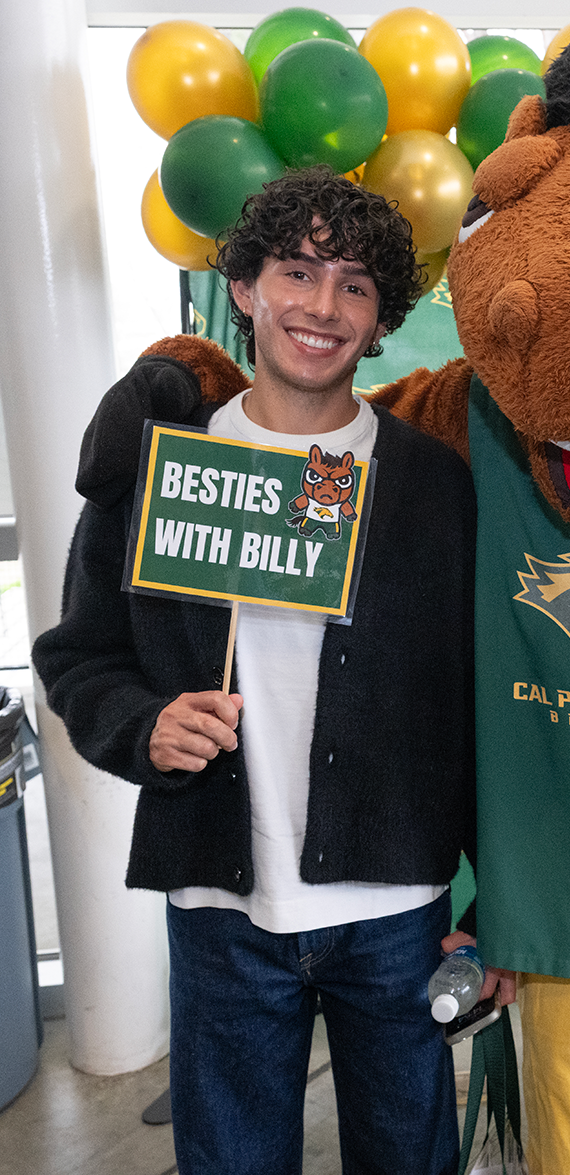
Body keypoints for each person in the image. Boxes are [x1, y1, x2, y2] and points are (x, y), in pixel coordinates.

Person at [33, 167, 499, 1175]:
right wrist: (139, 721)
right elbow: (76, 654)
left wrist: (494, 900)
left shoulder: (430, 488)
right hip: (220, 913)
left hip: (396, 915)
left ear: (380, 321)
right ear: (243, 286)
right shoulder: (159, 468)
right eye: (296, 270)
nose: (321, 306)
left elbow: (479, 706)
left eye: (355, 286)